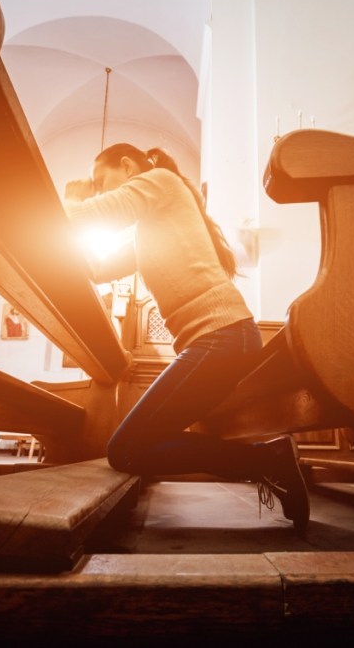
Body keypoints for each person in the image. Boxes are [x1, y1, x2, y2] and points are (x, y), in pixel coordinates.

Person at [63, 143, 309, 534]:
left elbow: (91, 215)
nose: (97, 190)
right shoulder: (150, 229)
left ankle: (268, 460)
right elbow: (97, 269)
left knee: (126, 449)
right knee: (134, 445)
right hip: (221, 339)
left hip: (222, 337)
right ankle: (267, 460)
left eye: (101, 180)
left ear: (127, 166)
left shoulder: (160, 181)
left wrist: (69, 199)